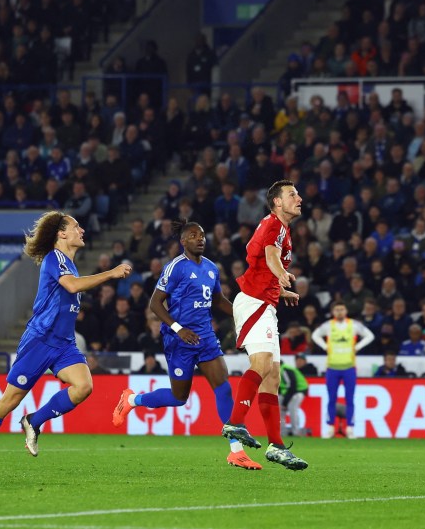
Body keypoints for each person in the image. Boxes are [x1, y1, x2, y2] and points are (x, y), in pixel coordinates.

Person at [0, 212, 131, 478]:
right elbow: (72, 287)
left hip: (63, 343)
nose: (82, 230)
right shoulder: (54, 259)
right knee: (9, 401)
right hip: (40, 340)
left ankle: (34, 421)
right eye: (76, 226)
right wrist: (111, 273)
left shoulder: (70, 263)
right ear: (61, 234)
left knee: (84, 386)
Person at [111, 221, 256, 469]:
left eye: (201, 235)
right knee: (179, 398)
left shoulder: (211, 268)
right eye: (193, 235)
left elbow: (218, 300)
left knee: (223, 388)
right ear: (183, 241)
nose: (200, 238)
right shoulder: (175, 268)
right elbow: (155, 304)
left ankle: (236, 451)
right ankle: (133, 400)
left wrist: (243, 316)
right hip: (178, 340)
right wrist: (178, 329)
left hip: (205, 337)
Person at [223, 180, 308, 470]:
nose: (299, 198)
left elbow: (256, 254)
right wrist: (281, 273)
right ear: (277, 203)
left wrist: (279, 288)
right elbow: (270, 255)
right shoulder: (274, 225)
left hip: (264, 302)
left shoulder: (279, 228)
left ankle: (276, 445)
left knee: (273, 376)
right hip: (254, 303)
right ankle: (235, 423)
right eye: (292, 194)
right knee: (260, 364)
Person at [311, 301, 375, 439]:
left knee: (350, 399)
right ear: (333, 312)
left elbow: (370, 336)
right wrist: (324, 346)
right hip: (332, 367)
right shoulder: (328, 326)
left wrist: (357, 347)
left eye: (342, 309)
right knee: (331, 399)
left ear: (346, 311)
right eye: (337, 309)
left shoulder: (353, 325)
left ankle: (350, 428)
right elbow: (315, 335)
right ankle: (330, 428)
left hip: (349, 367)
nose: (339, 312)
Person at [279, 359, 309, 437]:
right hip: (291, 392)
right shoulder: (282, 369)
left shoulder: (285, 369)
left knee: (292, 408)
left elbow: (292, 386)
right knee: (280, 410)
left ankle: (296, 432)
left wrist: (285, 402)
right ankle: (282, 433)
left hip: (299, 391)